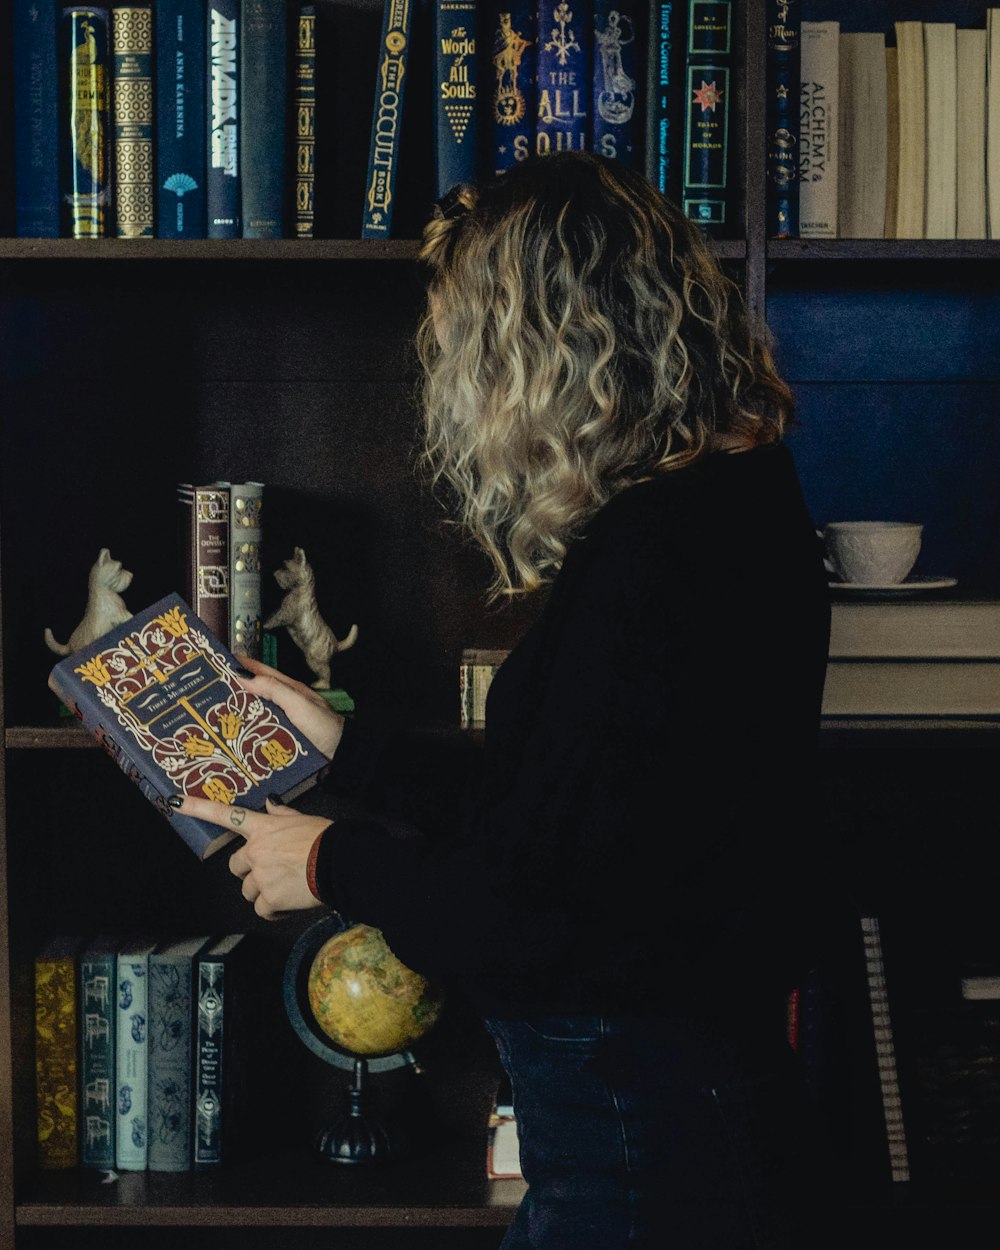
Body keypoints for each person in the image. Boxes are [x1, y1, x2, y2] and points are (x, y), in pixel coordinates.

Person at [173, 152, 833, 1249]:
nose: (454, 381)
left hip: (644, 1139)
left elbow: (539, 911)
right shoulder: (714, 507)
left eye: (464, 343)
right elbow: (567, 813)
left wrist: (326, 863)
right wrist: (343, 746)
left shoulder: (659, 551)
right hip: (663, 1120)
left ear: (544, 346)